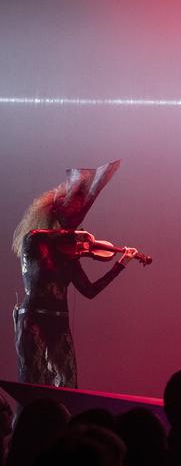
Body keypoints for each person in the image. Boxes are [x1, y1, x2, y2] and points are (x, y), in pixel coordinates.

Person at [11, 160, 138, 388]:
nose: (74, 227)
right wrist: (73, 237)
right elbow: (36, 236)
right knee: (33, 382)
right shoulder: (34, 242)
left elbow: (89, 291)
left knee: (68, 384)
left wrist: (121, 264)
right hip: (33, 319)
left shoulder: (69, 255)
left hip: (59, 321)